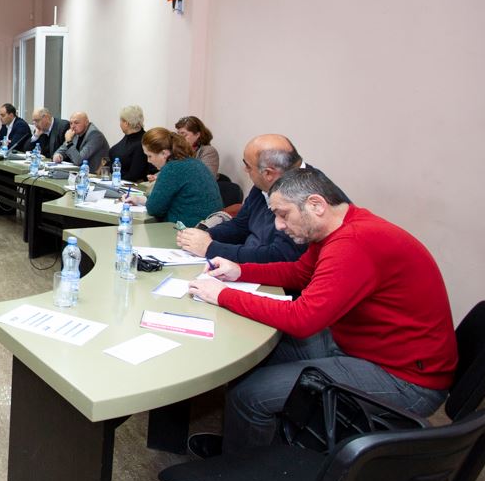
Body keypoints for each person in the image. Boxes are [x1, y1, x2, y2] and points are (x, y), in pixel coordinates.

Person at [187, 168, 456, 457]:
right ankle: (255, 440)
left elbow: (302, 319)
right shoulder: (341, 229)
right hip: (364, 348)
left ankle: (242, 469)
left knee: (249, 396)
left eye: (283, 214)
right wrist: (240, 271)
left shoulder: (353, 243)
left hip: (404, 380)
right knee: (256, 354)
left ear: (316, 205)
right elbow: (300, 273)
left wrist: (223, 295)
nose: (278, 225)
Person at [175, 134, 306, 264]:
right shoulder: (266, 184)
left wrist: (210, 248)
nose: (245, 170)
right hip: (242, 265)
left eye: (248, 166)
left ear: (268, 173)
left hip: (262, 271)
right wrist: (206, 235)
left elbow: (279, 256)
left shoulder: (305, 195)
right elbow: (240, 225)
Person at [128, 127, 222, 227]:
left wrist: (147, 202)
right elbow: (161, 200)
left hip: (187, 229)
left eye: (150, 156)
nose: (148, 160)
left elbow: (154, 209)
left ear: (164, 153)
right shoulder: (193, 162)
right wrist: (139, 200)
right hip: (209, 226)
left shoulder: (172, 168)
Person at [107, 105, 151, 182]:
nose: (120, 124)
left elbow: (134, 175)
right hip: (118, 180)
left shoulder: (141, 143)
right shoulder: (129, 136)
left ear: (126, 123)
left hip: (128, 184)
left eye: (121, 121)